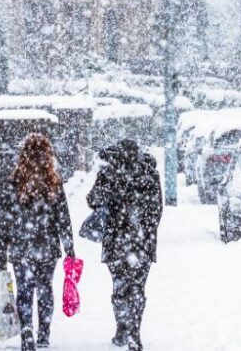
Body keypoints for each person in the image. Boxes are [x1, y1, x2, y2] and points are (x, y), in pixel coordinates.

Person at [0, 133, 75, 351]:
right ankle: (44, 335)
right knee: (45, 289)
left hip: (22, 246)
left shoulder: (14, 182)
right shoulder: (54, 182)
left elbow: (4, 222)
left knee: (24, 290)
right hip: (47, 246)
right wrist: (69, 248)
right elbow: (63, 218)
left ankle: (27, 329)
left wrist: (0, 255)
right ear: (48, 155)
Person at [87, 139, 163, 351]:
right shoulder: (149, 173)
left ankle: (122, 328)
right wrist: (145, 231)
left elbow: (93, 200)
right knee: (137, 287)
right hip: (142, 241)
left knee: (120, 286)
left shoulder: (108, 172)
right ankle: (134, 333)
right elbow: (157, 210)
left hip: (115, 240)